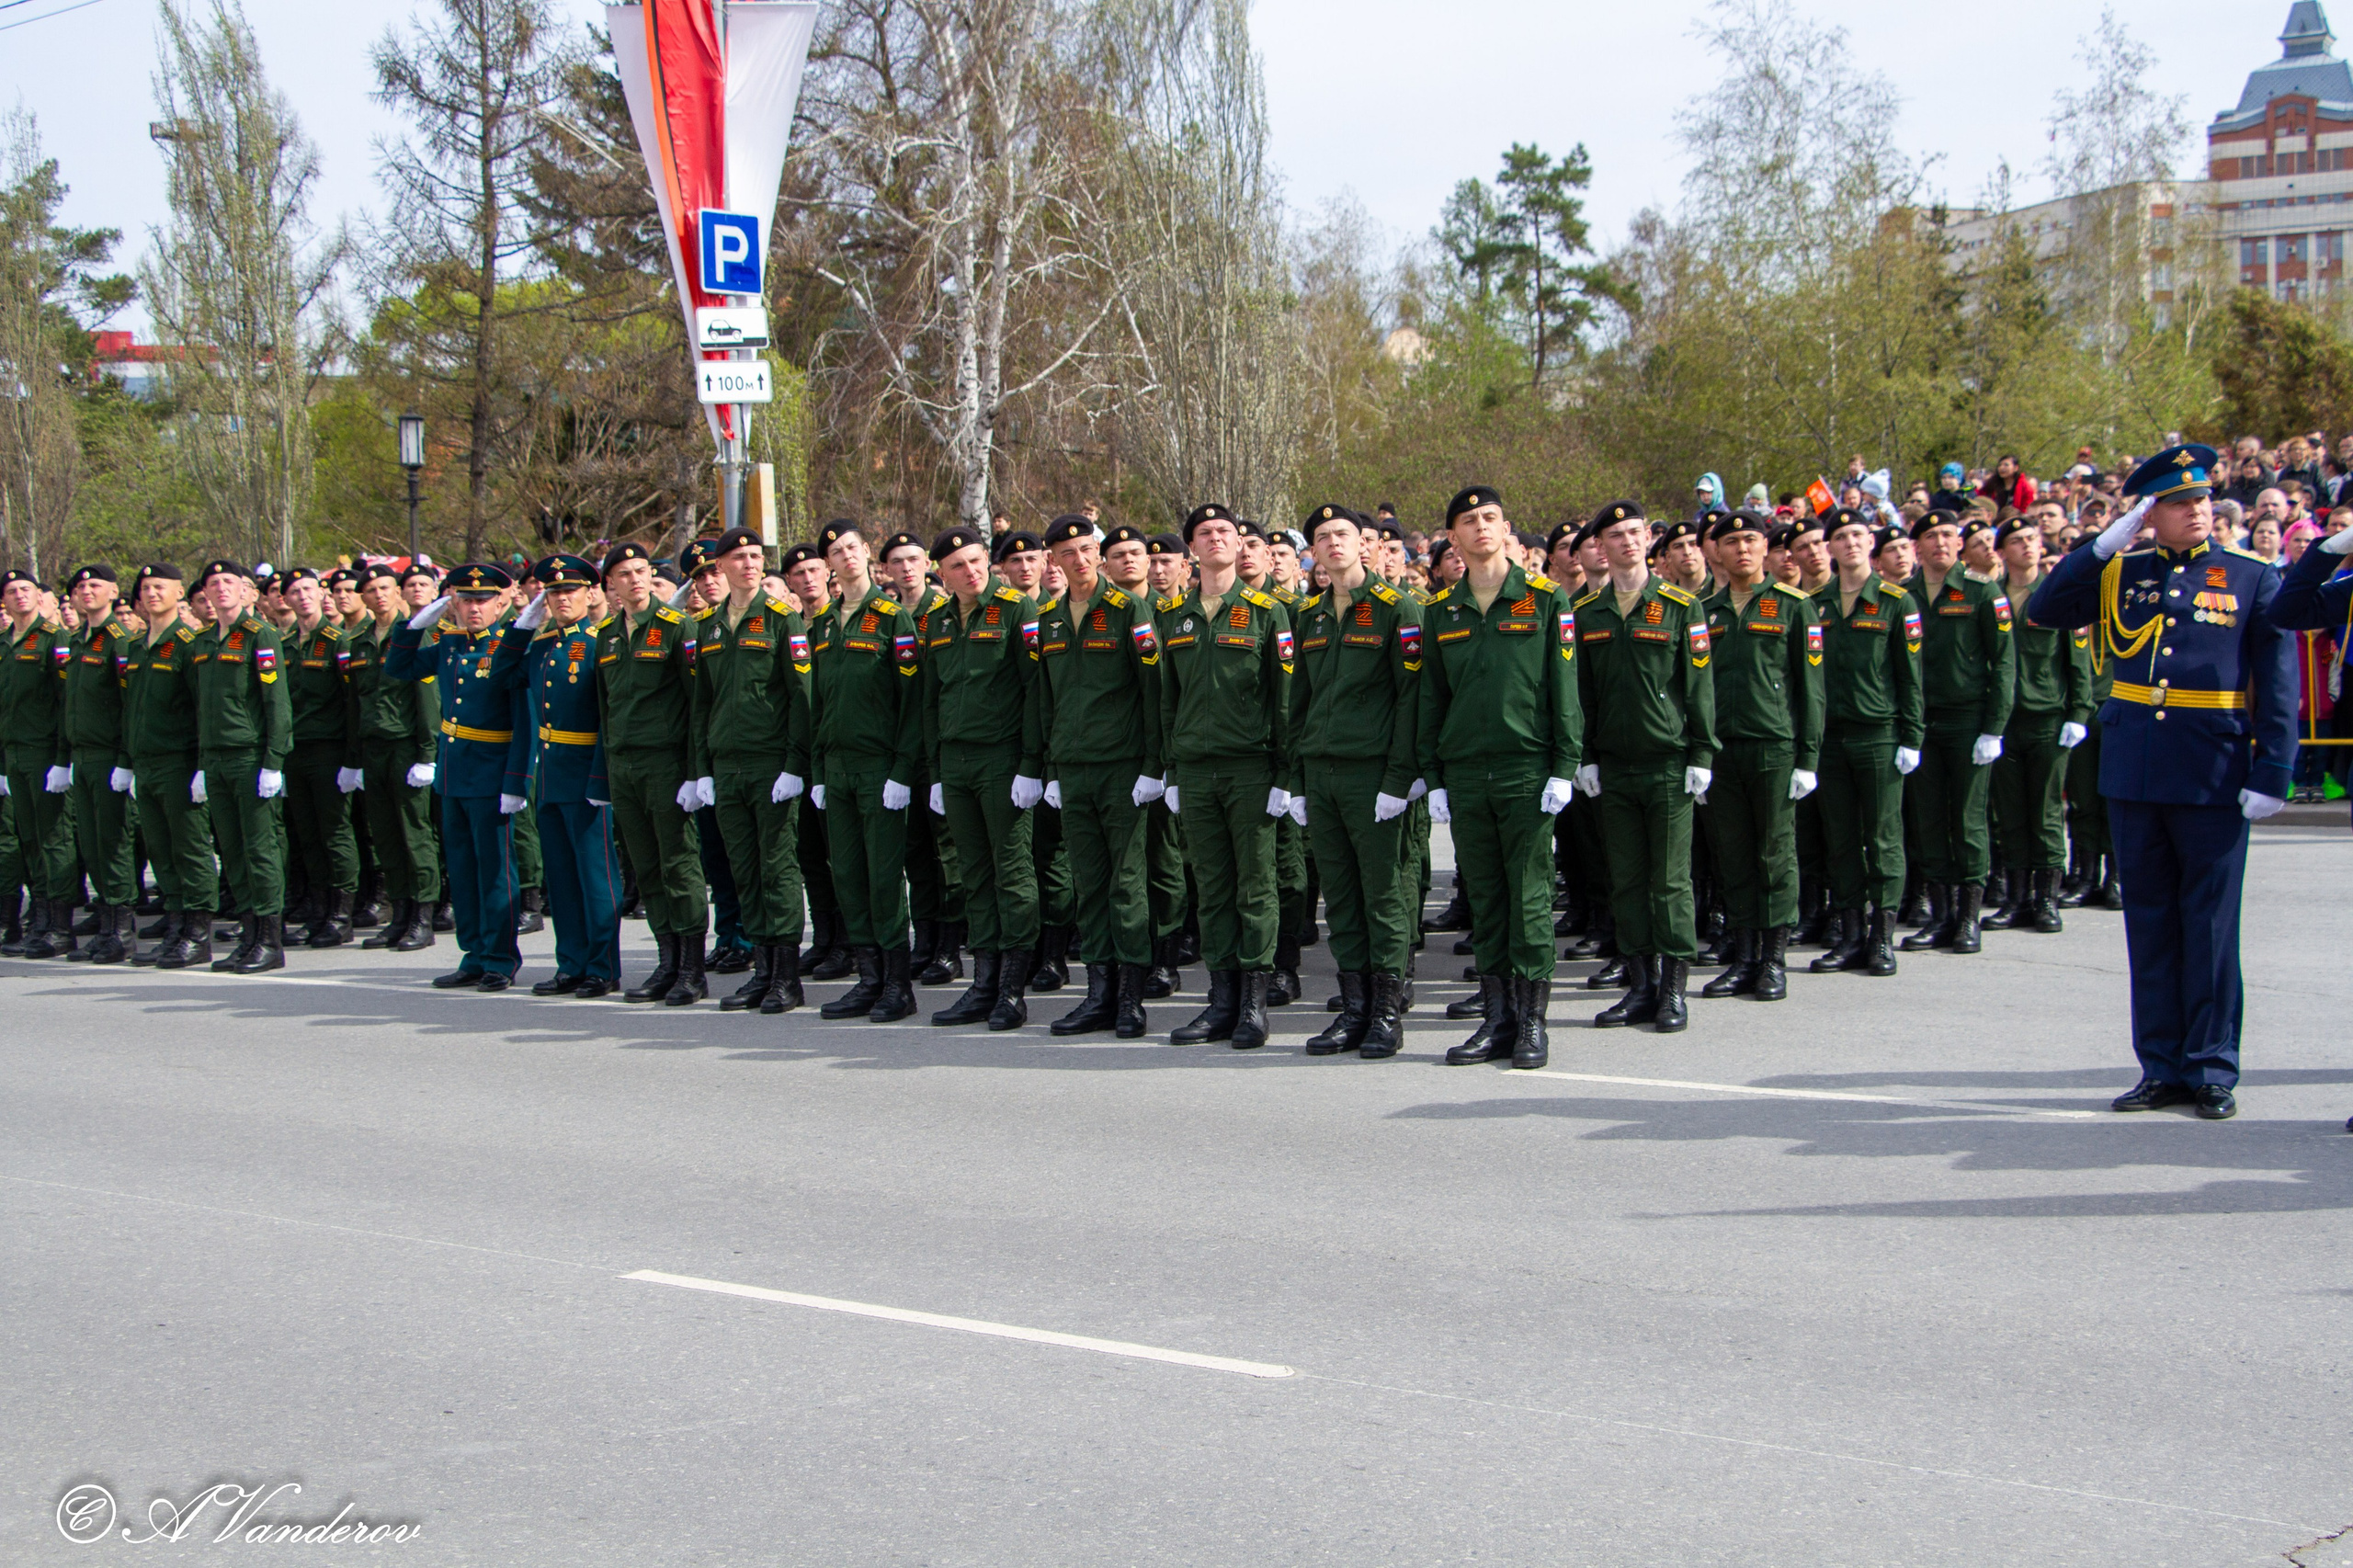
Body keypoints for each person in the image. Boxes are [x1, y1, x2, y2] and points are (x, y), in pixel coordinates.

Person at [2031, 445, 2296, 1121]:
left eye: (2204, 500)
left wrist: (2274, 768)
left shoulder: (2252, 576)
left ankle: (2210, 1067)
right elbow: (2046, 607)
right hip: (2135, 768)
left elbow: (2279, 680)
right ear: (2152, 513)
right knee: (2148, 924)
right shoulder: (2124, 570)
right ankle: (2161, 1065)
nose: (2199, 511)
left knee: (2208, 925)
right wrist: (2098, 549)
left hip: (2213, 770)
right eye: (2181, 503)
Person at [1420, 486, 1581, 1066]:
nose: (1481, 527)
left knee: (1530, 897)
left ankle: (1532, 1022)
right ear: (1454, 538)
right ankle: (1496, 1018)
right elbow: (1432, 699)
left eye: (1490, 518)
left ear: (1506, 529)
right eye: (1469, 521)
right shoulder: (1441, 613)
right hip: (1466, 774)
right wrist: (1434, 775)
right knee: (1485, 899)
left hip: (1526, 770)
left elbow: (1565, 693)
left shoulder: (1544, 601)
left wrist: (1564, 766)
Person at [1574, 501, 1716, 1033]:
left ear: (1647, 541)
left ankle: (1674, 990)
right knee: (1626, 879)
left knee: (1670, 882)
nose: (1627, 542)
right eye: (1616, 535)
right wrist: (1585, 756)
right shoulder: (1588, 614)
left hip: (1668, 764)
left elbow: (1699, 688)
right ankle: (1640, 985)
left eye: (1635, 533)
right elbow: (1582, 694)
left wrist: (1702, 753)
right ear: (1602, 546)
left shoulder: (1680, 607)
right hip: (1614, 766)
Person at [1288, 505, 1422, 1057]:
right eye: (1322, 538)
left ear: (1362, 545)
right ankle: (1354, 1008)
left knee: (1382, 894)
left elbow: (1411, 697)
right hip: (1321, 774)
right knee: (1340, 898)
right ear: (1313, 554)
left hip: (1373, 776)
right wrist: (1297, 781)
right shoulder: (1309, 616)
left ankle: (1386, 1011)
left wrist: (1399, 778)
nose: (1333, 543)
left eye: (1342, 534)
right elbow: (1299, 703)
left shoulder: (1396, 608)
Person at [1160, 503, 1290, 1048]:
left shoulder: (1266, 613)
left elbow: (1285, 700)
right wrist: (1169, 770)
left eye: (1225, 531)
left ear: (1240, 544)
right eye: (1203, 533)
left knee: (1255, 886)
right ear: (1191, 548)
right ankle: (1220, 1001)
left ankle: (1255, 1004)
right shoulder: (1175, 618)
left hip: (1250, 768)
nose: (1215, 538)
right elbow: (1169, 701)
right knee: (1211, 887)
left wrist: (1285, 774)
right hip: (1194, 769)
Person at [679, 528, 811, 1015]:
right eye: (739, 557)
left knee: (777, 868)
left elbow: (801, 697)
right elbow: (701, 705)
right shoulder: (710, 626)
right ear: (720, 567)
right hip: (726, 767)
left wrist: (795, 764)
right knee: (744, 870)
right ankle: (761, 968)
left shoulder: (782, 619)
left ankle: (786, 976)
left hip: (769, 764)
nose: (751, 564)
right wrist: (702, 770)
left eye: (757, 556)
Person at [388, 562, 533, 992]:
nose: (474, 608)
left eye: (482, 600)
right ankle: (473, 953)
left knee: (494, 871)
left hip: (491, 772)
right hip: (454, 773)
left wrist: (516, 780)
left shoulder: (512, 646)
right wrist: (413, 626)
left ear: (500, 603)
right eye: (466, 600)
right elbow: (399, 668)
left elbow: (523, 722)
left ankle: (500, 958)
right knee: (463, 870)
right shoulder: (449, 644)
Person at [921, 524, 1043, 1031]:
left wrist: (1031, 764)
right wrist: (934, 772)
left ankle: (1012, 989)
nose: (969, 572)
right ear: (942, 575)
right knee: (974, 874)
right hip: (956, 762)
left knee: (1011, 873)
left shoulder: (1017, 610)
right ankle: (983, 981)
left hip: (1002, 759)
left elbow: (1036, 689)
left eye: (976, 562)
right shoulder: (937, 621)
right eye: (957, 566)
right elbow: (931, 700)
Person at [1697, 511, 1822, 1001]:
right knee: (1733, 855)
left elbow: (1812, 691)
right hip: (1723, 752)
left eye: (1751, 540)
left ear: (1766, 548)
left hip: (1773, 747)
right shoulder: (1705, 611)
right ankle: (1744, 955)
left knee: (1774, 854)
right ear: (1719, 552)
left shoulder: (1793, 607)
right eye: (1731, 542)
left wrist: (1807, 758)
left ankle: (1772, 959)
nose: (1742, 549)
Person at [806, 520, 924, 1022]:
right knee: (848, 875)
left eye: (852, 547)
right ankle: (868, 977)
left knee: (882, 877)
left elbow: (912, 700)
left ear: (867, 553)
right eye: (836, 551)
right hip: (836, 767)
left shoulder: (893, 617)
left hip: (879, 768)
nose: (846, 556)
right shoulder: (823, 623)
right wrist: (816, 771)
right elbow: (816, 706)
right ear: (829, 563)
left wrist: (902, 770)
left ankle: (897, 984)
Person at [586, 541, 710, 1006]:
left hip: (666, 764)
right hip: (624, 766)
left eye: (642, 571)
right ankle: (667, 960)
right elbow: (605, 707)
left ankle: (692, 969)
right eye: (624, 574)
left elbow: (698, 703)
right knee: (647, 865)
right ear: (611, 585)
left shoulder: (679, 628)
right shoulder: (607, 635)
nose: (635, 580)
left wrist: (694, 773)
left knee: (679, 863)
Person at [1808, 508, 1923, 977]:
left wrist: (1912, 736)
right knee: (1840, 839)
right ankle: (1851, 932)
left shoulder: (1897, 602)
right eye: (1841, 537)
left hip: (1879, 735)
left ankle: (1882, 936)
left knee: (1883, 837)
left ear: (1869, 543)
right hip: (1831, 738)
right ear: (1829, 547)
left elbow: (1910, 677)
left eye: (1858, 535)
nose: (1850, 543)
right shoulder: (1815, 604)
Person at [1900, 509, 2015, 956]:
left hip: (1968, 720)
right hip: (1921, 721)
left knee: (1967, 819)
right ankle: (1941, 915)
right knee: (1928, 820)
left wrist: (1994, 727)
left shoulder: (1983, 591)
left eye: (1949, 535)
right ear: (1918, 547)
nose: (1941, 543)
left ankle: (1969, 917)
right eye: (1931, 536)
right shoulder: (1905, 594)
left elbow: (2004, 662)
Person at [1983, 517, 2092, 935]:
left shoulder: (2057, 594)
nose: (2027, 546)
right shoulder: (1991, 598)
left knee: (2046, 813)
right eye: (2016, 541)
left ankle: (2046, 899)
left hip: (2048, 718)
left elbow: (2077, 658)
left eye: (2031, 538)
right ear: (2002, 551)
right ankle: (2015, 898)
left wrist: (2078, 714)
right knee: (2010, 813)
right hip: (2005, 722)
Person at [189, 560, 294, 973]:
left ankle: (269, 940)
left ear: (245, 590)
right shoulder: (202, 642)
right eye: (212, 584)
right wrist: (200, 764)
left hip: (250, 757)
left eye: (228, 582)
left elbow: (276, 703)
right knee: (231, 852)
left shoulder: (259, 634)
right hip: (215, 759)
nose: (219, 589)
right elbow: (201, 709)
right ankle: (248, 935)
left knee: (260, 850)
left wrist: (273, 761)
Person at [119, 564, 219, 968]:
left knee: (190, 848)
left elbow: (202, 708)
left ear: (179, 593)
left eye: (159, 587)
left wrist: (201, 766)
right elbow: (131, 710)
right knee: (161, 849)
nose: (151, 594)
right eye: (145, 588)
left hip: (180, 761)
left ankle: (198, 932)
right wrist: (127, 762)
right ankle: (176, 923)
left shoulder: (188, 642)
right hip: (147, 762)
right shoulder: (137, 645)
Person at [876, 528, 962, 985]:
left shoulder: (942, 612)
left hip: (937, 748)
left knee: (946, 849)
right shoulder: (887, 616)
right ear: (886, 570)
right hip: (897, 748)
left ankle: (950, 945)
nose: (906, 568)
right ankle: (924, 939)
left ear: (927, 565)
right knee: (914, 853)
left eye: (913, 559)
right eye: (897, 562)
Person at [344, 563, 441, 955]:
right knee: (385, 834)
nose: (379, 595)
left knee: (414, 833)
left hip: (406, 746)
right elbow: (355, 703)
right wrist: (353, 759)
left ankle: (423, 915)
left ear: (397, 593)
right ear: (363, 597)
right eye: (371, 590)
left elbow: (426, 699)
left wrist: (427, 753)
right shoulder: (360, 641)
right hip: (373, 748)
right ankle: (399, 914)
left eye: (386, 588)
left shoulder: (413, 636)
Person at [273, 568, 362, 949]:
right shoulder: (283, 643)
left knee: (335, 833)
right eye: (294, 591)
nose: (302, 596)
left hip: (329, 749)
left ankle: (342, 914)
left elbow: (352, 701)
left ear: (320, 593)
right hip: (296, 751)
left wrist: (352, 758)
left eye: (308, 588)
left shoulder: (338, 641)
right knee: (307, 835)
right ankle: (319, 908)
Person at [58, 565, 138, 962]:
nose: (86, 591)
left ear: (113, 591)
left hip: (108, 756)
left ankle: (121, 929)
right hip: (82, 755)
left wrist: (125, 760)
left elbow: (129, 705)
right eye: (80, 587)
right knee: (90, 845)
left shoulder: (118, 641)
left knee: (113, 843)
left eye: (95, 585)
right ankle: (106, 923)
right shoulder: (78, 640)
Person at [0, 568, 77, 957]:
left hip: (46, 753)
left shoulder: (53, 639)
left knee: (54, 837)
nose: (20, 596)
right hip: (14, 753)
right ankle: (41, 915)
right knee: (29, 838)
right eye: (12, 591)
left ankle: (61, 923)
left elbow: (66, 702)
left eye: (26, 589)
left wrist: (64, 759)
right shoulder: (3, 644)